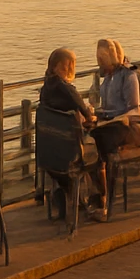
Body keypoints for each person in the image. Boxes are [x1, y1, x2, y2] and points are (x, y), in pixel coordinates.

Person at [37, 49, 103, 220]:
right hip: (71, 154)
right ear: (56, 67)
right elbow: (88, 116)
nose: (69, 70)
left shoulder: (45, 89)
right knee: (99, 152)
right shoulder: (67, 89)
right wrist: (91, 116)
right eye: (67, 66)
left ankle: (70, 198)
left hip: (49, 153)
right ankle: (98, 201)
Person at [89, 39, 140, 216]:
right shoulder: (107, 79)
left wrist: (118, 118)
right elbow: (107, 107)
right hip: (111, 124)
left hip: (130, 127)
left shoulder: (128, 76)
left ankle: (106, 198)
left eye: (102, 61)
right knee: (91, 139)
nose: (100, 66)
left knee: (103, 142)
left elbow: (135, 110)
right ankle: (98, 194)